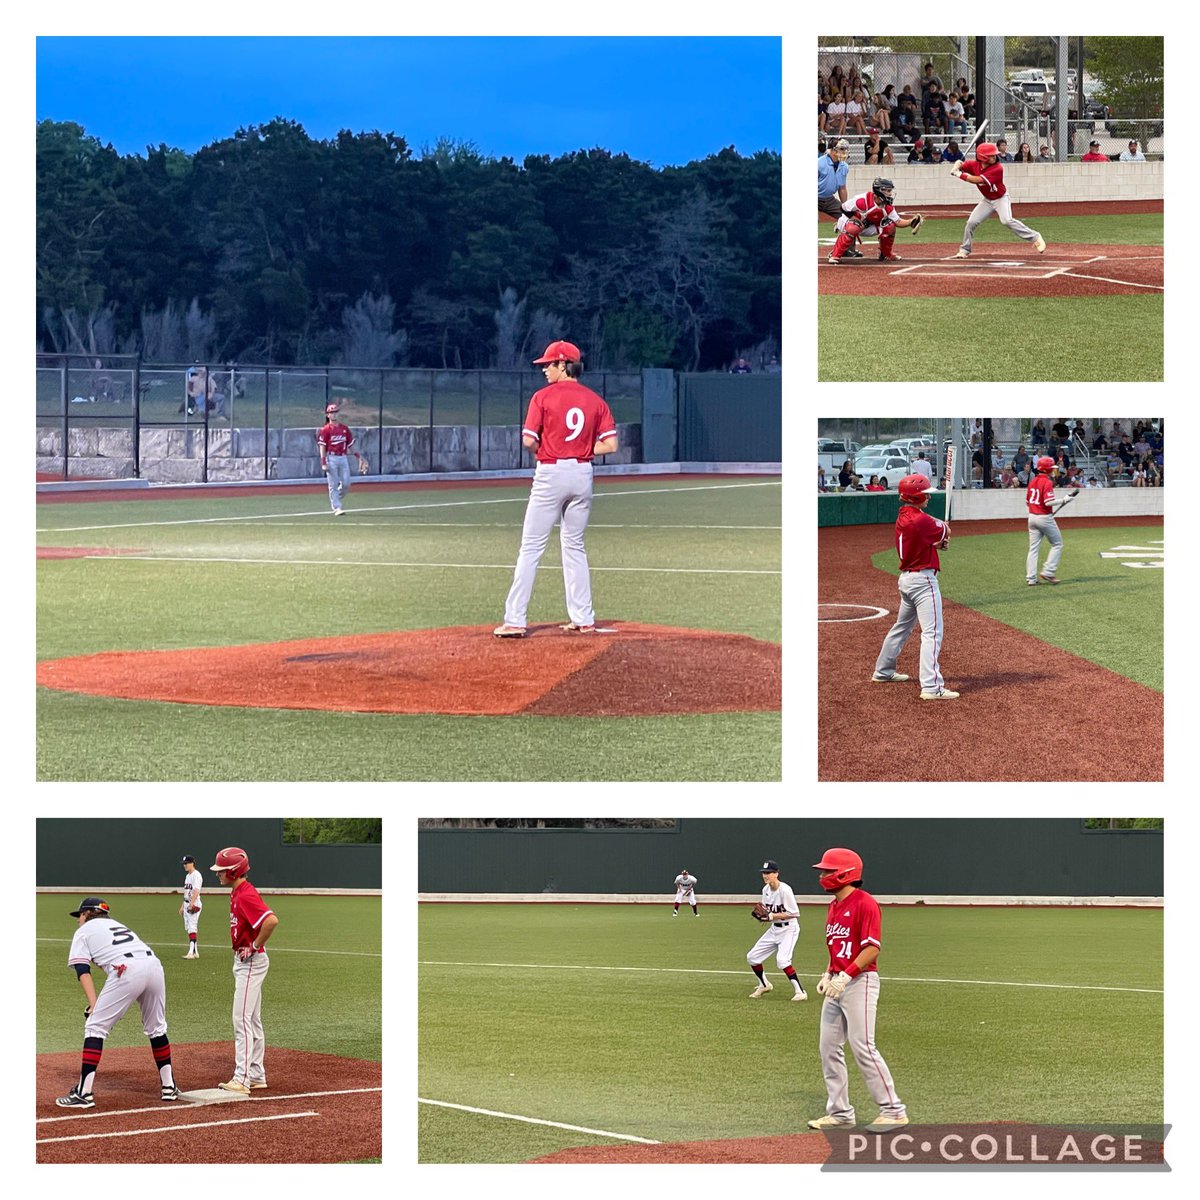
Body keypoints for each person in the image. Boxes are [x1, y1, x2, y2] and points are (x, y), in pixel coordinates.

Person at [494, 340, 618, 638]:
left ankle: (515, 620)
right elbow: (611, 445)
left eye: (549, 365)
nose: (544, 370)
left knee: (531, 547)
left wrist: (544, 450)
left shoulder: (543, 397)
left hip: (551, 471)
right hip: (582, 473)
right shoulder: (595, 400)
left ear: (564, 365)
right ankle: (584, 618)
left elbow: (527, 440)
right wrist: (584, 448)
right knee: (574, 545)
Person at [806, 849, 908, 1134]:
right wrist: (829, 972)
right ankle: (839, 1112)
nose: (822, 876)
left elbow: (872, 947)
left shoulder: (865, 903)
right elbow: (838, 946)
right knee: (828, 1047)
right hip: (838, 983)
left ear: (845, 873)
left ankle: (893, 1111)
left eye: (827, 871)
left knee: (863, 1045)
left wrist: (845, 976)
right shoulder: (833, 905)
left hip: (860, 982)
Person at [55, 897, 180, 1109]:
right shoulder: (118, 925)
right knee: (157, 1028)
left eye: (80, 916)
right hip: (154, 966)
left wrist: (93, 1004)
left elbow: (82, 970)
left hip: (127, 969)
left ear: (87, 914)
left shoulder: (83, 932)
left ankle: (83, 1094)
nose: (78, 921)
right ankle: (169, 1087)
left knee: (95, 1027)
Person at [872, 474, 955, 697]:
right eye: (925, 494)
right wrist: (944, 529)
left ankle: (883, 670)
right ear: (916, 496)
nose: (928, 497)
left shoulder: (904, 515)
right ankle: (931, 686)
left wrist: (936, 543)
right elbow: (944, 530)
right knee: (932, 633)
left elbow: (924, 539)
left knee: (902, 627)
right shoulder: (920, 519)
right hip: (922, 582)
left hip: (908, 580)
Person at [211, 846, 279, 1094]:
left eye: (221, 870)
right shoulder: (239, 891)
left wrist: (254, 945)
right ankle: (257, 1074)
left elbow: (271, 921)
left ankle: (242, 1078)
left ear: (234, 870)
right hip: (248, 962)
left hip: (251, 963)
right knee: (252, 1020)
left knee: (241, 1020)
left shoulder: (245, 895)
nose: (218, 874)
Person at [951, 142, 1046, 258]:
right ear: (983, 157)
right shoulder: (974, 165)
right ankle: (965, 250)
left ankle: (1036, 237)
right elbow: (963, 165)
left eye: (994, 155)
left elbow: (976, 180)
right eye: (991, 155)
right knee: (971, 223)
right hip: (987, 200)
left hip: (1000, 198)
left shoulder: (997, 168)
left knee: (1006, 220)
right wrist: (957, 164)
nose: (994, 157)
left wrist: (958, 174)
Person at [746, 859, 807, 1001]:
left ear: (776, 874)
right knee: (752, 957)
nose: (765, 875)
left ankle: (800, 992)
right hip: (775, 929)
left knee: (782, 960)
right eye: (764, 873)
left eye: (768, 873)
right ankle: (764, 984)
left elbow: (794, 913)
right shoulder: (765, 890)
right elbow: (767, 911)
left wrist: (772, 915)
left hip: (789, 929)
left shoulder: (785, 890)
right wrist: (764, 916)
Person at [827, 177, 922, 265]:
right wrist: (855, 219)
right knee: (854, 227)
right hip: (848, 222)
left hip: (868, 226)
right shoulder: (862, 200)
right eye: (888, 191)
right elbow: (843, 208)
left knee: (890, 226)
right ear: (879, 191)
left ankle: (886, 254)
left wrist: (911, 221)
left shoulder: (887, 206)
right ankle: (835, 255)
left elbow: (898, 222)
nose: (890, 194)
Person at [316, 401, 364, 516]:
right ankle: (337, 507)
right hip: (331, 457)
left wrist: (359, 457)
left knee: (346, 483)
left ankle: (336, 497)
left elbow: (350, 445)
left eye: (335, 412)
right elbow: (322, 446)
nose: (334, 414)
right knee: (333, 484)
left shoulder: (344, 429)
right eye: (331, 412)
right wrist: (323, 462)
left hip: (342, 457)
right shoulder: (326, 429)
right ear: (328, 415)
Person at [1026, 456, 1066, 585]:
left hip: (1032, 517)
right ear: (1047, 469)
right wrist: (1064, 500)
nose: (1053, 470)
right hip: (1044, 517)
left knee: (1033, 549)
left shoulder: (1033, 481)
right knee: (1057, 544)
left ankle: (1031, 578)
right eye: (1052, 468)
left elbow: (1028, 502)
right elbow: (1048, 503)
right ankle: (1048, 571)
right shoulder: (1047, 482)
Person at [818, 140, 855, 253]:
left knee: (851, 219)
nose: (844, 152)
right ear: (833, 150)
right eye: (841, 149)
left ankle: (848, 250)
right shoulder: (818, 163)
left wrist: (846, 207)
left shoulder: (844, 166)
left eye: (845, 149)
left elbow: (842, 188)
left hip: (829, 199)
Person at [179, 854, 203, 959]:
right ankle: (195, 952)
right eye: (184, 864)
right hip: (187, 903)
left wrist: (191, 904)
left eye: (186, 863)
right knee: (189, 927)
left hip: (193, 903)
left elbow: (196, 890)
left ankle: (191, 953)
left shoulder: (196, 875)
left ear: (192, 863)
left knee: (192, 927)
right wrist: (182, 906)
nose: (184, 865)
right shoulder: (188, 876)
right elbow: (187, 892)